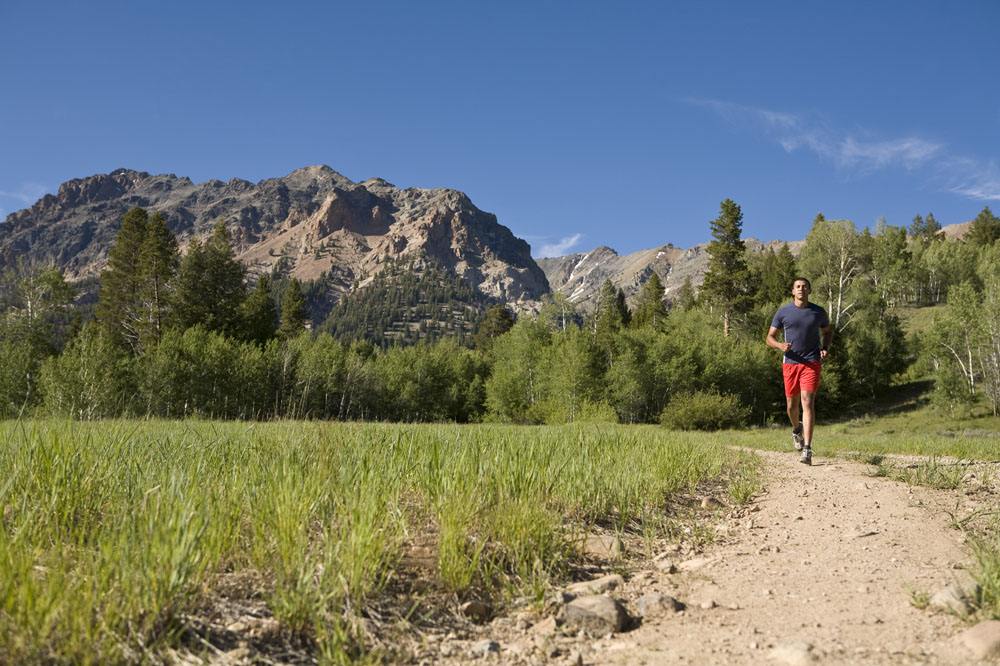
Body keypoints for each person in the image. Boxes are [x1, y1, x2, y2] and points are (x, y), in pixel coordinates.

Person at [765, 277, 832, 465]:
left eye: (804, 286)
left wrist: (825, 347)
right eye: (798, 287)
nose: (801, 289)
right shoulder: (783, 312)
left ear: (809, 290)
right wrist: (779, 345)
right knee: (791, 406)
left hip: (811, 362)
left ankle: (808, 449)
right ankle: (796, 429)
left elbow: (827, 331)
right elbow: (769, 337)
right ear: (793, 291)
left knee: (807, 402)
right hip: (791, 363)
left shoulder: (818, 312)